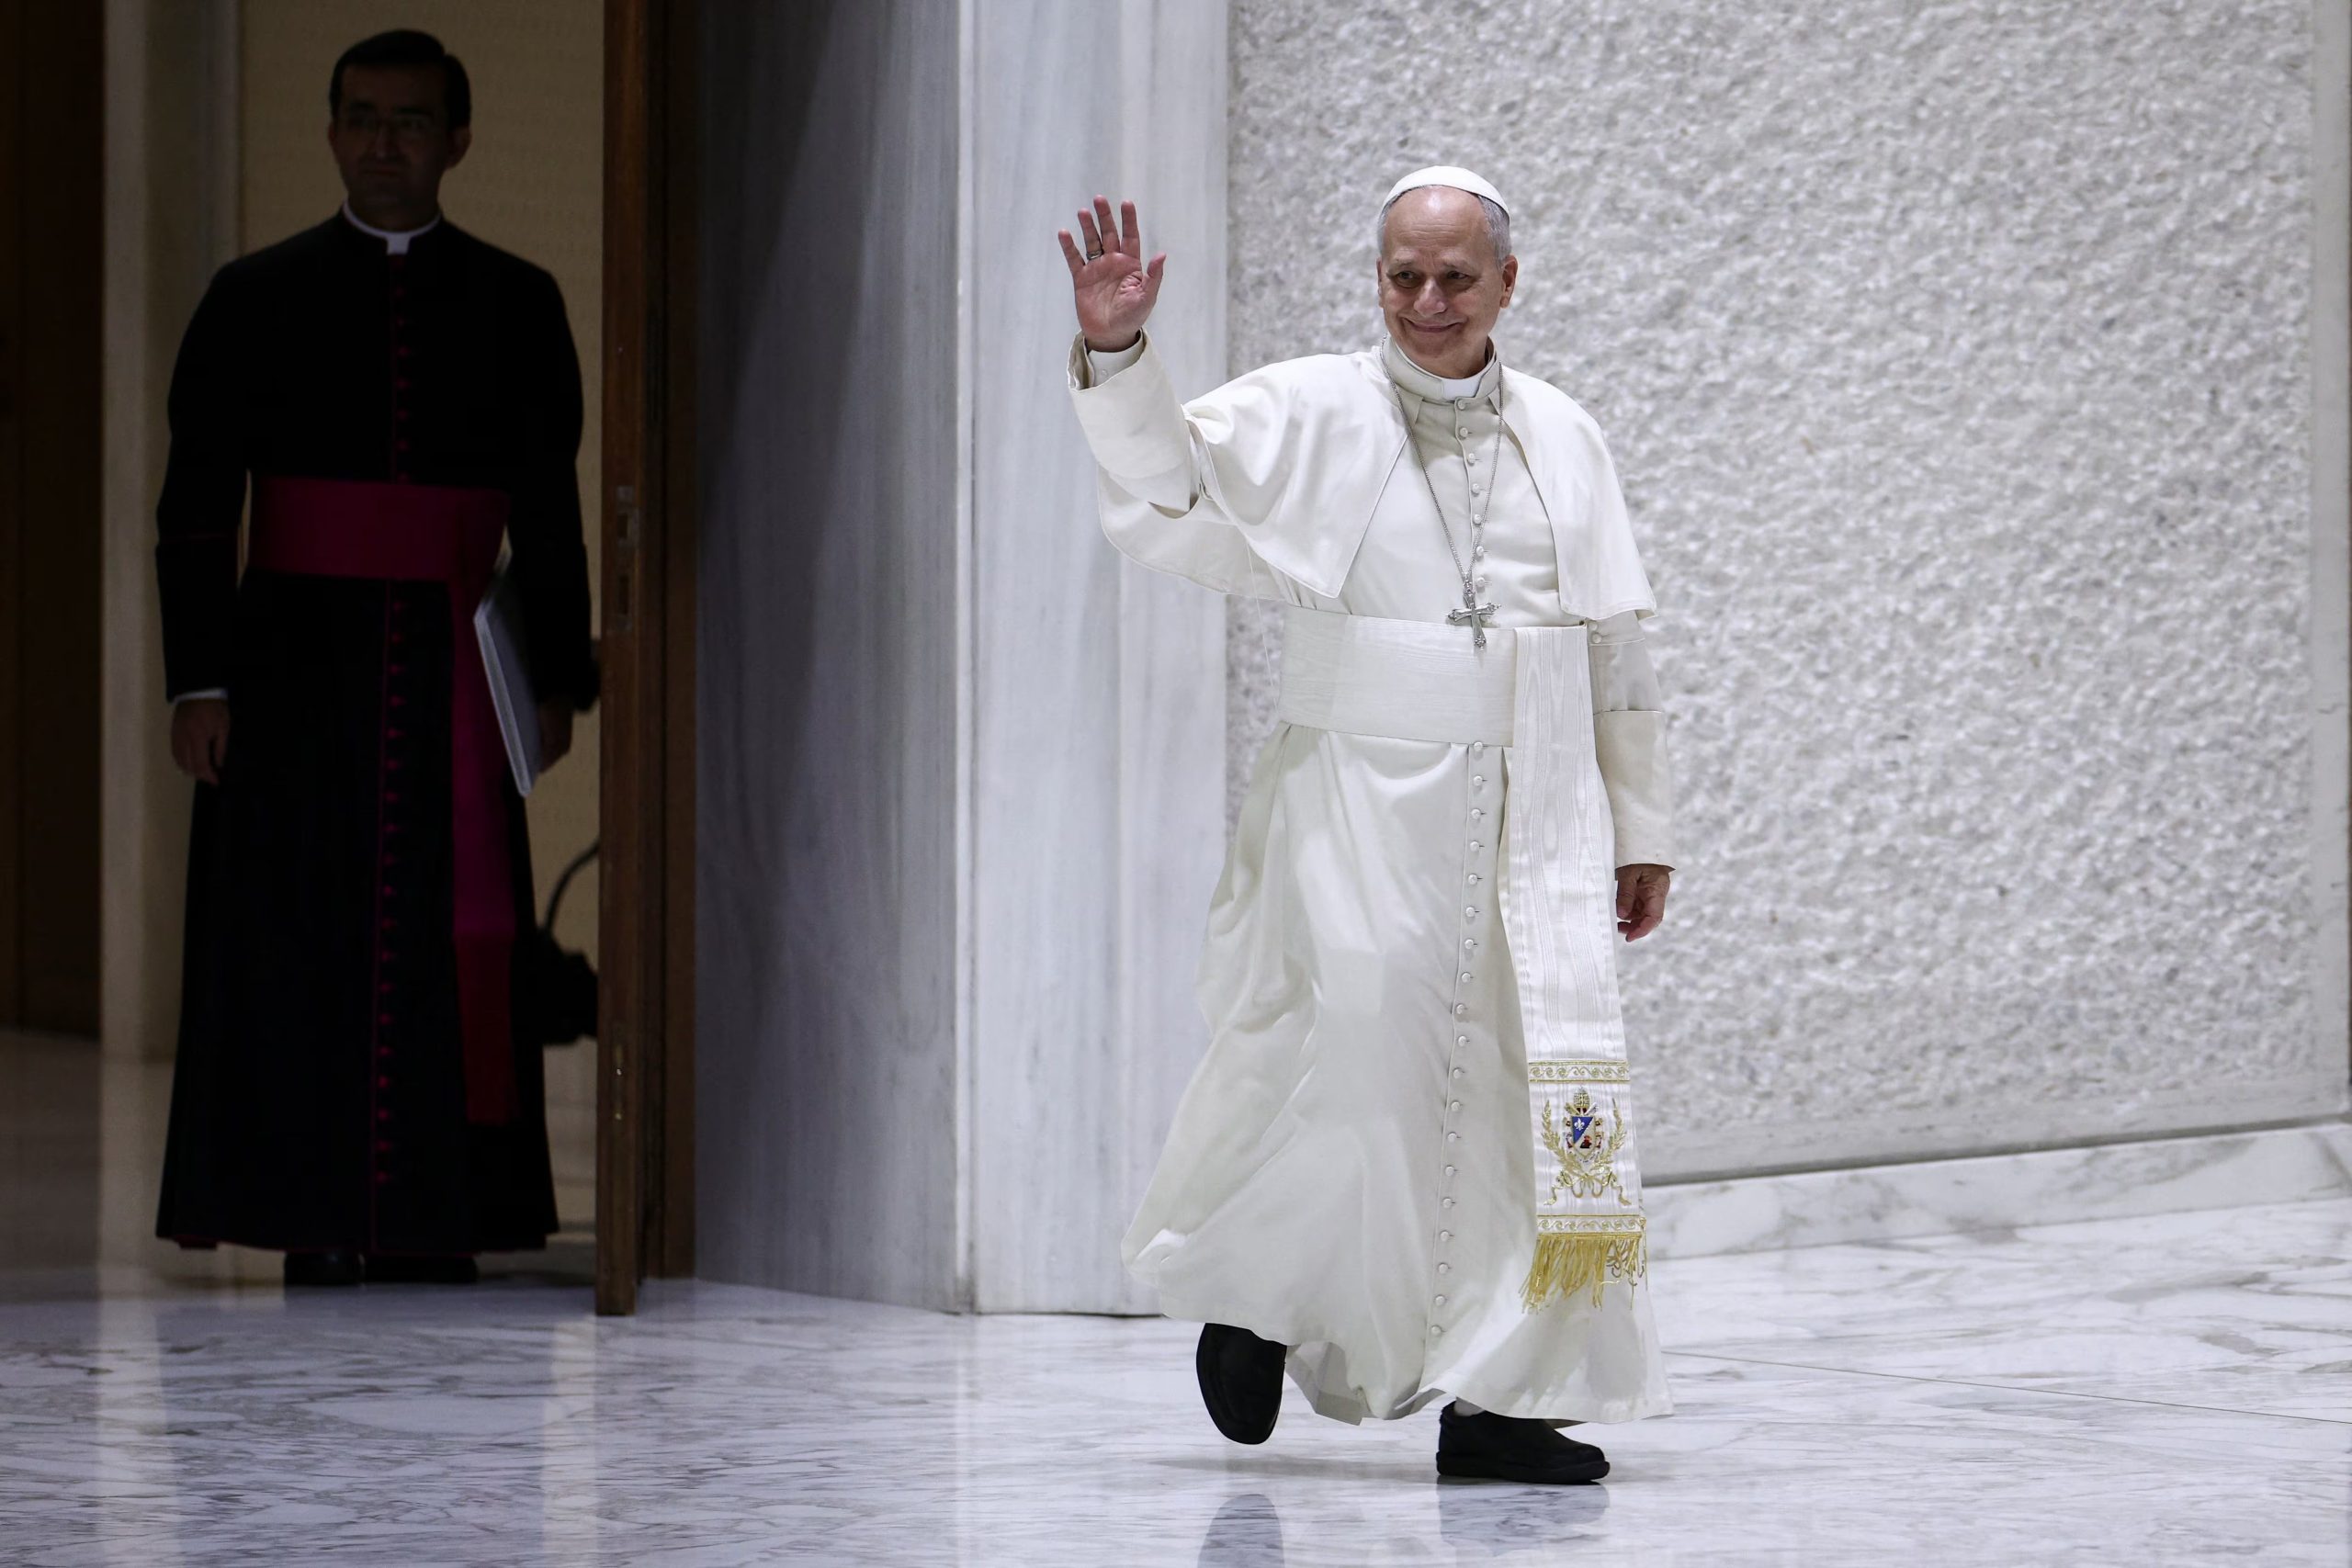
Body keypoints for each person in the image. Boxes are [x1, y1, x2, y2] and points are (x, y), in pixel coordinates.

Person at [1059, 168, 1678, 1484]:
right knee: (1358, 1060)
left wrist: (1642, 825)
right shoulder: (1315, 406)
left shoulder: (1565, 434)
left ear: (1511, 281)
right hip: (1357, 795)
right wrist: (1117, 347)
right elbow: (1173, 488)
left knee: (1531, 1104)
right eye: (1404, 275)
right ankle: (1263, 1299)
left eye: (1457, 277)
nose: (1429, 302)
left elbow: (1614, 646)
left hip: (1536, 813)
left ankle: (1502, 1398)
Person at [153, 30, 596, 1287]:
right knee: (295, 944)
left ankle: (447, 1212)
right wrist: (201, 682)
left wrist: (555, 677)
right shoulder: (251, 295)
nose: (383, 142)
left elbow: (550, 508)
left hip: (453, 676)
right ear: (332, 132)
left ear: (458, 141)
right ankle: (311, 1211)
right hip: (289, 676)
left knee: (452, 941)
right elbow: (194, 508)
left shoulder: (519, 300)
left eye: (410, 121)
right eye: (361, 118)